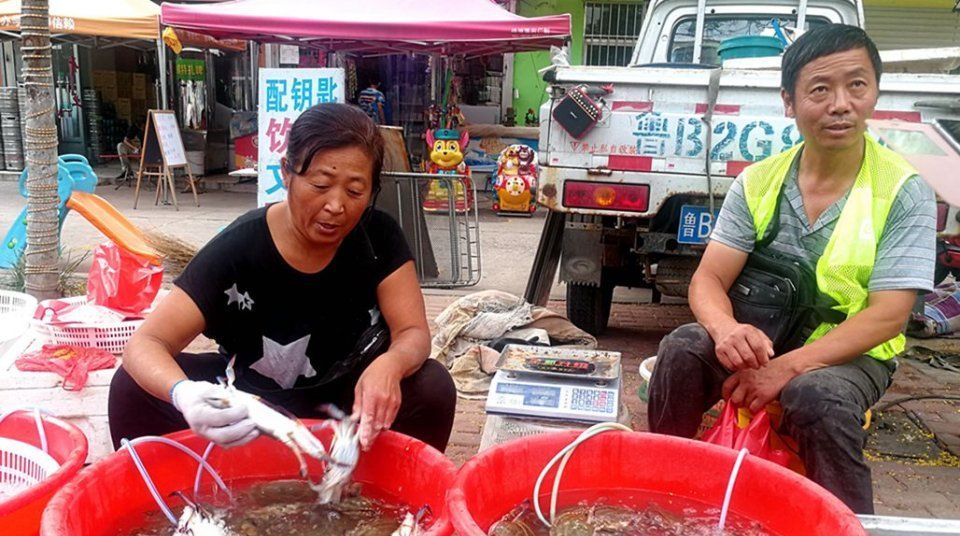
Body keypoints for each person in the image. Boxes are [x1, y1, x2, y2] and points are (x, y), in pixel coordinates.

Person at [647, 24, 936, 514]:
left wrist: (786, 368)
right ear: (789, 101)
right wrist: (725, 329)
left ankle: (847, 520)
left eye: (856, 85)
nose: (840, 103)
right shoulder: (759, 180)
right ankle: (659, 490)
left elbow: (889, 316)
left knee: (816, 396)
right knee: (681, 349)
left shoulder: (904, 191)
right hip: (760, 340)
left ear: (874, 94)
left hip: (850, 354)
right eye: (820, 89)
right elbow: (709, 279)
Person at [109, 103, 457, 454]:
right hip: (253, 405)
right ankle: (174, 486)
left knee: (432, 386)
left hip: (351, 403)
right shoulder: (237, 249)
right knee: (132, 387)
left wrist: (390, 364)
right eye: (321, 184)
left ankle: (394, 488)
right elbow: (146, 343)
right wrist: (183, 394)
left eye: (354, 191)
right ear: (287, 173)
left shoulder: (379, 236)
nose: (336, 205)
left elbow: (412, 333)